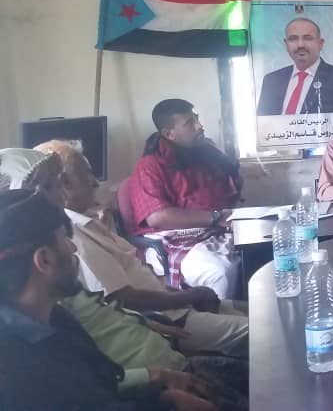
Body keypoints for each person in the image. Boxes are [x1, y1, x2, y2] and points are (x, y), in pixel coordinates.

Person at [0, 189, 217, 411]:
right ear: (44, 260)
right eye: (64, 239)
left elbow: (102, 387)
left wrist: (164, 398)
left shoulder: (56, 319)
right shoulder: (16, 371)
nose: (73, 247)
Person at [37, 140, 248, 358]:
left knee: (261, 313)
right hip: (168, 321)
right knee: (261, 333)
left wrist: (185, 295)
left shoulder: (89, 221)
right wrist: (190, 296)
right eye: (87, 174)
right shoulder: (74, 235)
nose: (95, 183)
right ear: (65, 183)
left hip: (176, 306)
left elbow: (139, 280)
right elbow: (125, 299)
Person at [129, 98, 242, 299]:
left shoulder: (204, 154)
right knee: (219, 274)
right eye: (190, 123)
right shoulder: (149, 166)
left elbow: (229, 190)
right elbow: (158, 218)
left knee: (262, 251)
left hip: (215, 230)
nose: (199, 126)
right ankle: (221, 318)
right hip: (173, 240)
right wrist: (216, 217)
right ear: (169, 134)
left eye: (196, 119)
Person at [256, 17, 333, 115]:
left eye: (308, 38)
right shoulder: (271, 80)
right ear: (286, 44)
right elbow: (262, 121)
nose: (300, 45)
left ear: (320, 44)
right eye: (293, 39)